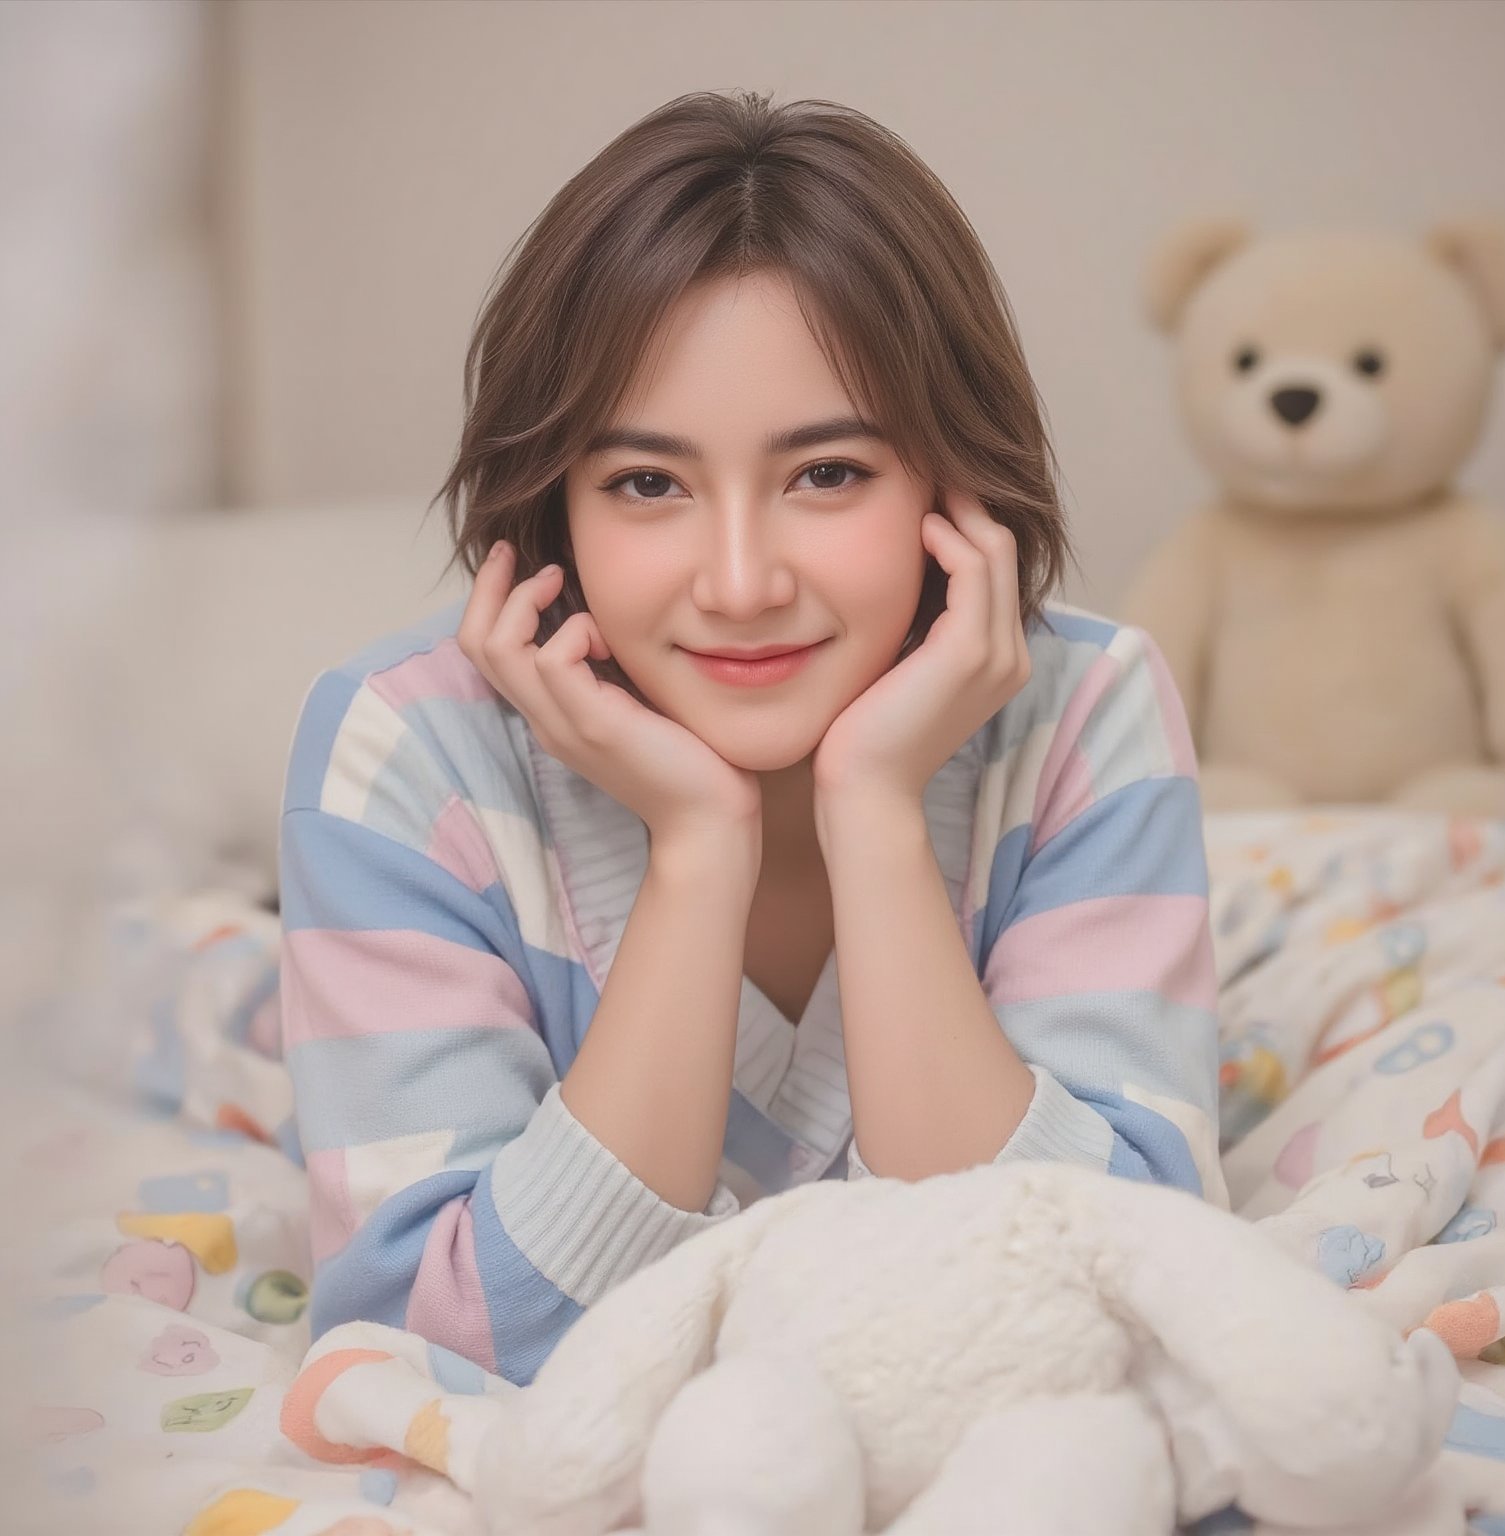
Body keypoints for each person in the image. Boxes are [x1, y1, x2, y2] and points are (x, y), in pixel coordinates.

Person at [278, 89, 1228, 1388]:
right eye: (647, 484)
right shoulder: (401, 747)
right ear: (553, 503)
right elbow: (440, 1341)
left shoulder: (1081, 709)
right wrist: (697, 847)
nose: (738, 582)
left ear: (954, 483)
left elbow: (1131, 1291)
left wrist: (879, 814)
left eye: (827, 474)